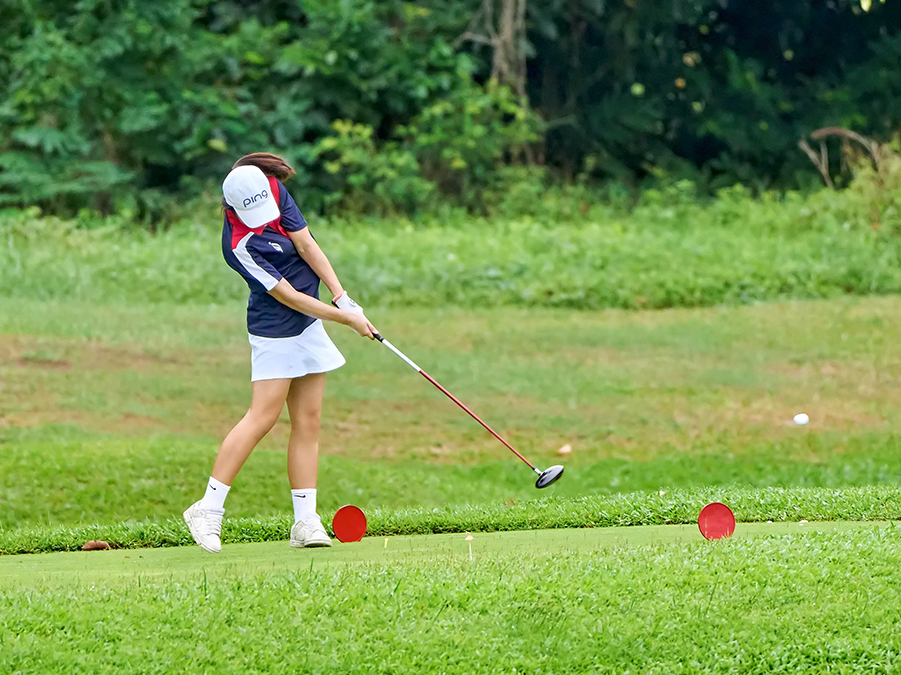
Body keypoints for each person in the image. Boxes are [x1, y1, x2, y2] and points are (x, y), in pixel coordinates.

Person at [183, 152, 377, 553]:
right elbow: (291, 298)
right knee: (263, 417)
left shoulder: (270, 187)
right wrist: (347, 320)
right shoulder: (237, 245)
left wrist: (343, 297)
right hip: (275, 328)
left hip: (310, 322)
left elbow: (307, 244)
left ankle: (305, 522)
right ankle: (207, 509)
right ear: (233, 208)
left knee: (309, 419)